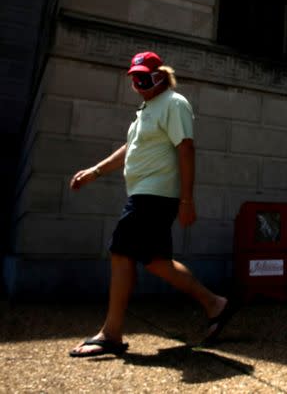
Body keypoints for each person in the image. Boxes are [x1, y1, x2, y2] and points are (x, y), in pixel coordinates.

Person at [68, 51, 236, 357]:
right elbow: (130, 148)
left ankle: (111, 333)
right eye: (134, 78)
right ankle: (216, 304)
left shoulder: (174, 103)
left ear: (161, 75)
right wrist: (95, 171)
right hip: (144, 195)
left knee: (120, 252)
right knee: (157, 261)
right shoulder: (146, 110)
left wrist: (187, 199)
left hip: (154, 196)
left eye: (144, 76)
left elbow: (186, 148)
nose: (139, 82)